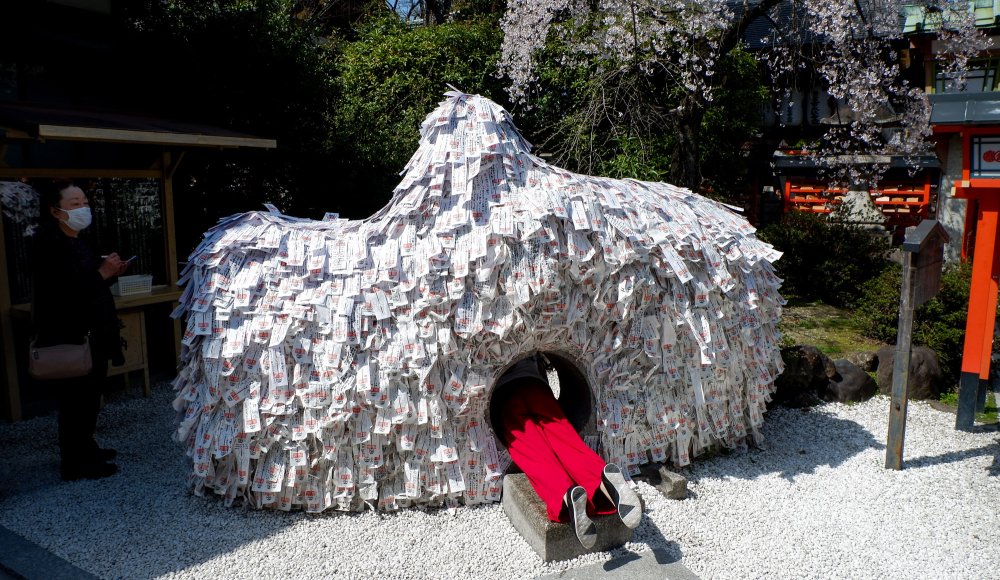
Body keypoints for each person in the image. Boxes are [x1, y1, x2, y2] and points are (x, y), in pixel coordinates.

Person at [32, 180, 128, 480]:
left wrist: (110, 273)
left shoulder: (78, 241)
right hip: (71, 336)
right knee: (75, 401)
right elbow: (63, 294)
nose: (83, 208)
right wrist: (101, 273)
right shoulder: (50, 246)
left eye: (84, 201)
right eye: (74, 204)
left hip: (93, 334)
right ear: (56, 211)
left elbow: (92, 286)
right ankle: (75, 463)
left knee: (89, 398)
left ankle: (87, 448)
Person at [493, 355, 642, 549]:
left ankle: (566, 494)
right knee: (565, 438)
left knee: (533, 451)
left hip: (504, 395)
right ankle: (602, 480)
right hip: (536, 386)